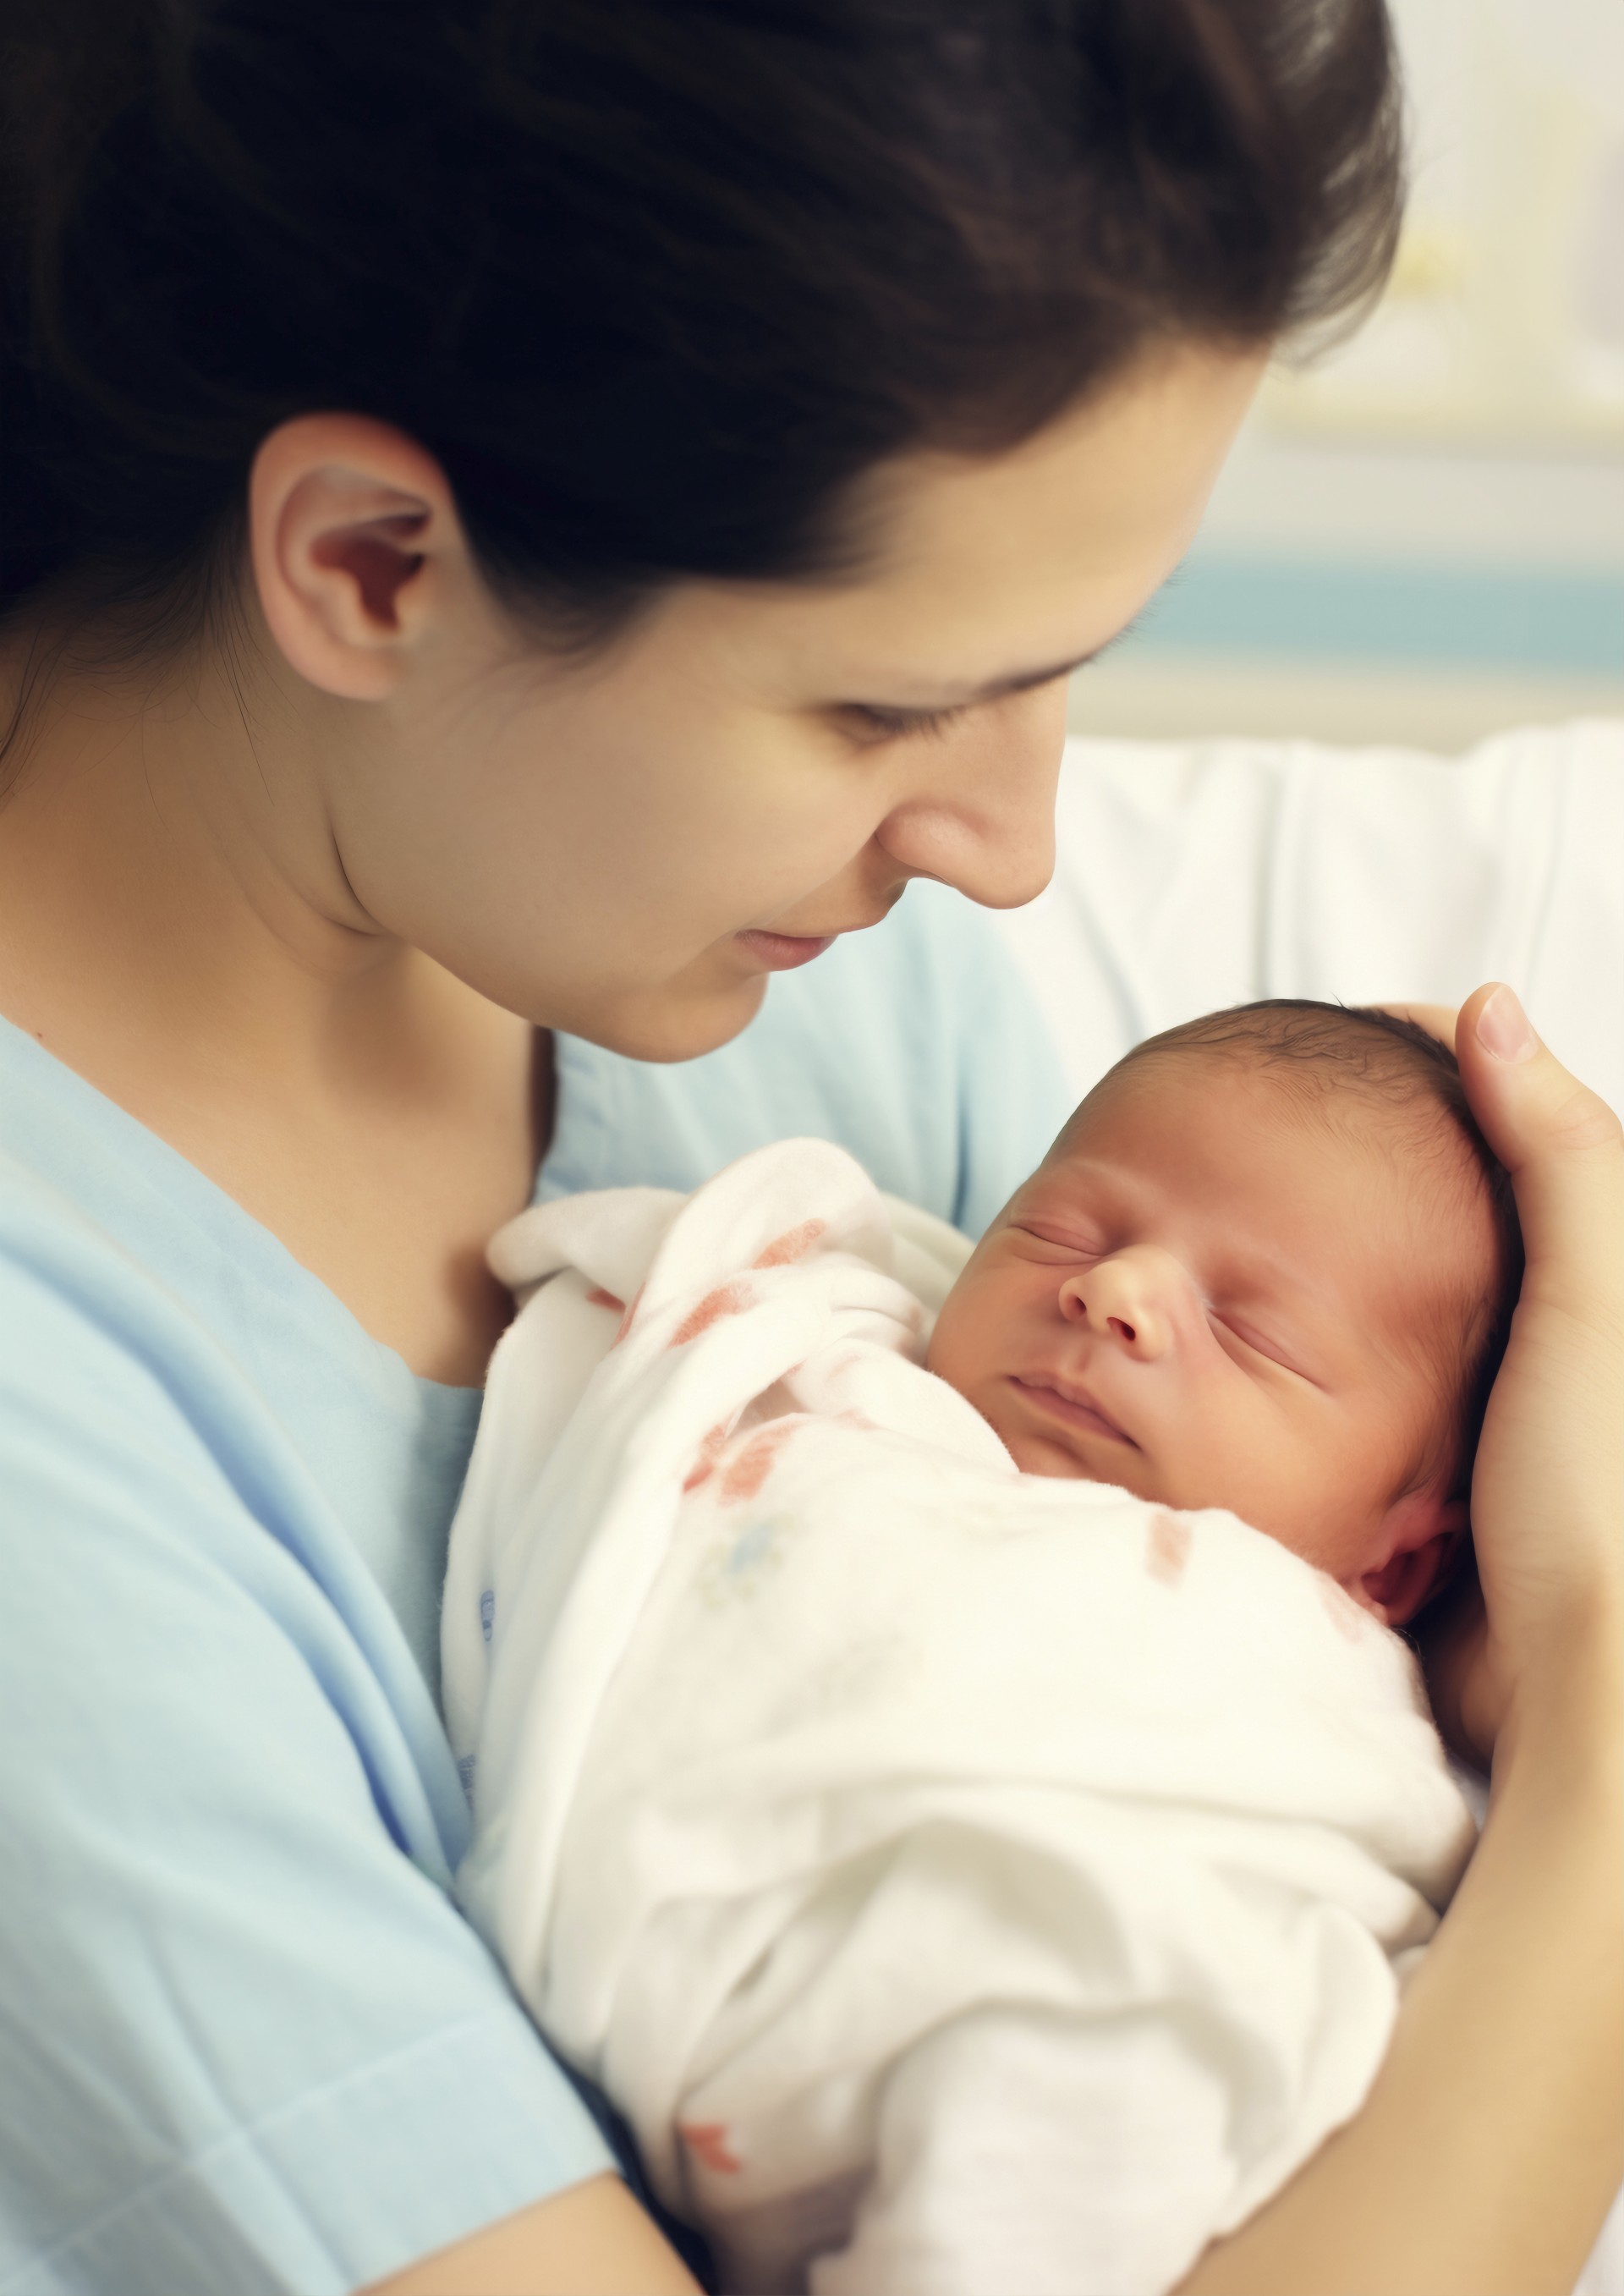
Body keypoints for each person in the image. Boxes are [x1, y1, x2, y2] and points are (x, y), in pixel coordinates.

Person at [0, 3, 1616, 2293]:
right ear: (371, 563)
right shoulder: (55, 1461)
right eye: (889, 703)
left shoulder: (799, 979)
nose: (1016, 847)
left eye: (1065, 666)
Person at [440, 1002, 1514, 2294]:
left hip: (1112, 2028)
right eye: (1063, 1231)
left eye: (1248, 1328)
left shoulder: (1323, 1677)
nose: (1112, 1290)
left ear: (1394, 1565)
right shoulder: (826, 1385)